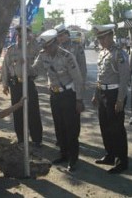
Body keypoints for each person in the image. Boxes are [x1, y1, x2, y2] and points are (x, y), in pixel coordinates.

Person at [31, 29, 85, 172]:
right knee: (59, 127)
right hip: (54, 96)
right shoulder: (43, 55)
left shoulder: (67, 56)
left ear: (55, 43)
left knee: (71, 128)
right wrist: (24, 65)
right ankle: (63, 154)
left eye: (47, 46)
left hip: (68, 95)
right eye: (44, 47)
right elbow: (34, 69)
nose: (46, 49)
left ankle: (73, 159)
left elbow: (78, 79)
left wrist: (79, 100)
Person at [91, 24, 129, 174]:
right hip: (103, 94)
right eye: (99, 38)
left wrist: (120, 100)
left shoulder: (119, 54)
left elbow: (125, 78)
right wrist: (96, 93)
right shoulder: (102, 52)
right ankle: (110, 155)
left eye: (102, 37)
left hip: (115, 95)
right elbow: (100, 76)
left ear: (110, 36)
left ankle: (122, 161)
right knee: (105, 127)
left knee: (117, 129)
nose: (100, 41)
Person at [1, 25, 43, 146]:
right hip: (15, 85)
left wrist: (32, 37)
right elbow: (5, 68)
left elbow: (40, 48)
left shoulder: (31, 48)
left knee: (33, 111)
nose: (20, 38)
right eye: (19, 36)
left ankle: (36, 139)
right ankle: (21, 139)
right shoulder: (11, 50)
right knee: (17, 112)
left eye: (23, 36)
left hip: (28, 83)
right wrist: (5, 84)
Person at [55, 24, 87, 89]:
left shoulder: (77, 46)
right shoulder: (56, 48)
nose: (60, 38)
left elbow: (82, 65)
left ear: (67, 34)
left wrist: (82, 81)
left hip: (74, 81)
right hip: (61, 82)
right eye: (58, 36)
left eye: (62, 35)